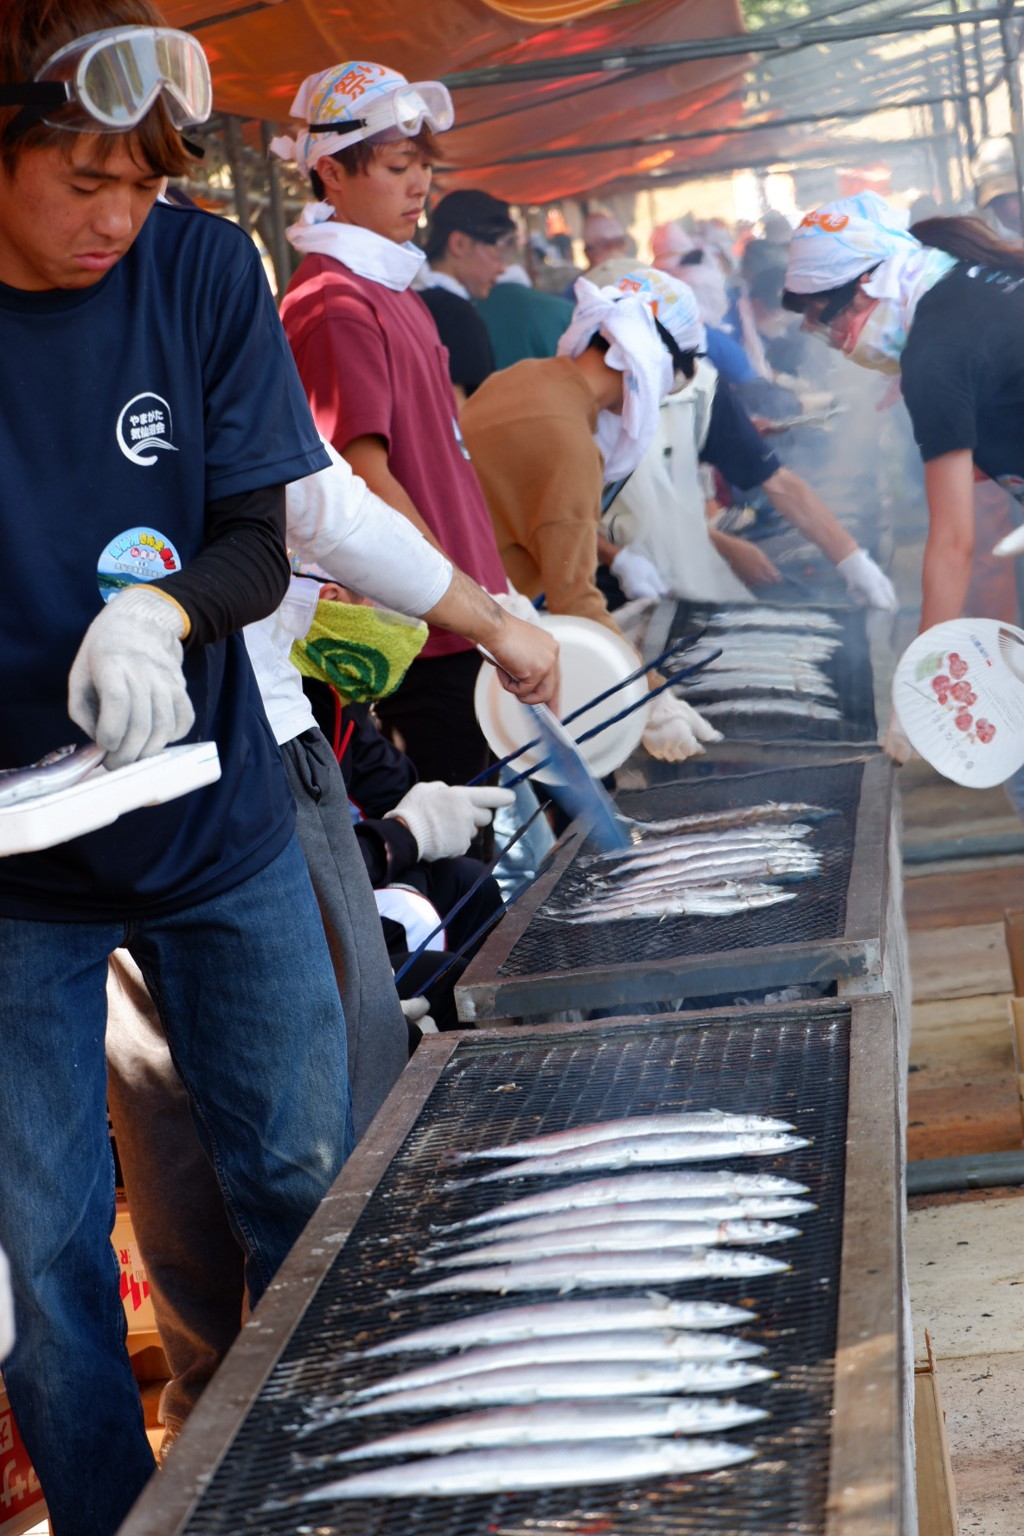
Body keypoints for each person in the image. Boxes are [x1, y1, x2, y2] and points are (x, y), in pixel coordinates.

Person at [0, 5, 355, 1532]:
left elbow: (257, 540)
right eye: (84, 178)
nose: (115, 220)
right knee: (48, 1255)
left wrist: (158, 612)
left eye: (143, 184)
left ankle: (339, 1488)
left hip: (214, 821)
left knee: (303, 1179)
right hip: (11, 870)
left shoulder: (203, 267)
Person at [272, 62, 518, 786]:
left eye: (421, 169)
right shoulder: (331, 301)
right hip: (422, 626)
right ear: (331, 173)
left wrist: (488, 592)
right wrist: (465, 599)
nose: (419, 187)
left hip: (463, 610)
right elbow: (362, 478)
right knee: (458, 843)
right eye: (397, 166)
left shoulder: (393, 288)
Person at [781, 190, 1024, 764]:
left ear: (868, 285)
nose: (838, 343)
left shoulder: (936, 355)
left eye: (831, 321)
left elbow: (953, 543)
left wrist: (917, 692)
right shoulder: (965, 275)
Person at [462, 267, 729, 762]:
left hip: (450, 610)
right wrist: (653, 699)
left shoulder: (520, 377)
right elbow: (575, 603)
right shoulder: (569, 445)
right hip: (463, 645)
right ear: (656, 367)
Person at [418, 188, 516, 401]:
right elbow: (462, 412)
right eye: (496, 254)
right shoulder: (455, 313)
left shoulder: (409, 297)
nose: (502, 268)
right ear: (459, 244)